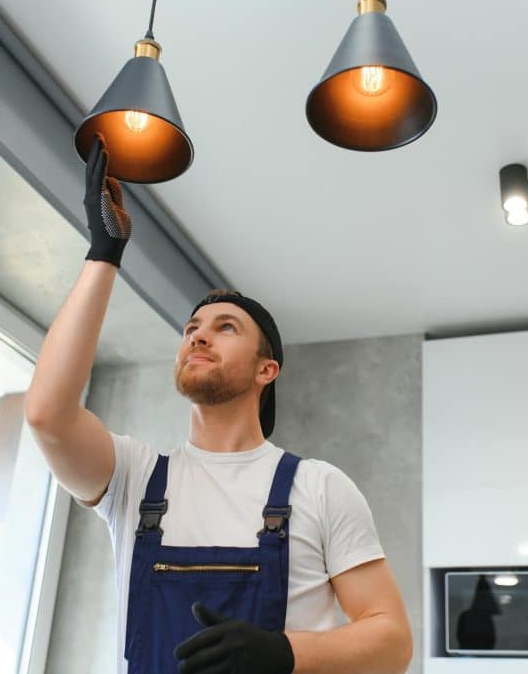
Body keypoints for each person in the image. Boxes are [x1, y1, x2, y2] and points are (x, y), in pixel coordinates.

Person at [24, 135, 412, 674]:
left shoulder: (318, 488)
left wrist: (285, 651)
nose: (199, 337)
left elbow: (392, 641)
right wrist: (104, 252)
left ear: (265, 370)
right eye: (192, 329)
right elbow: (47, 414)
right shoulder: (136, 480)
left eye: (225, 328)